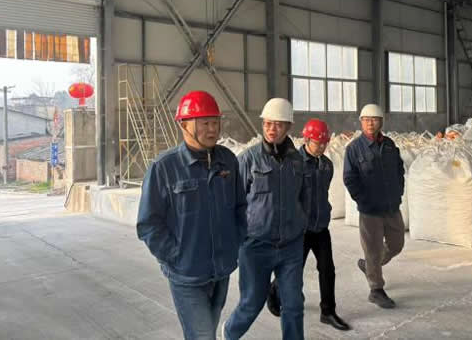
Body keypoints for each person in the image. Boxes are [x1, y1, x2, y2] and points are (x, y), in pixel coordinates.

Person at [137, 90, 247, 340]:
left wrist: (235, 242)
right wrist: (176, 255)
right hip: (186, 274)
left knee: (207, 330)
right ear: (184, 125)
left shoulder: (228, 161)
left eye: (215, 122)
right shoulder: (164, 167)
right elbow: (148, 224)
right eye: (205, 123)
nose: (212, 129)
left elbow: (240, 207)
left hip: (221, 271)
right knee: (203, 335)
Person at [223, 98, 310, 340]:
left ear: (288, 126)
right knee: (252, 303)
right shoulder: (248, 160)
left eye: (278, 124)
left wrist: (300, 224)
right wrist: (238, 239)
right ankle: (229, 333)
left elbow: (304, 197)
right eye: (267, 124)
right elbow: (233, 203)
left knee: (293, 304)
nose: (272, 129)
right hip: (256, 246)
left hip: (291, 245)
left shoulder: (297, 161)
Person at [266, 119, 350, 331]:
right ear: (306, 139)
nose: (321, 146)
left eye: (324, 143)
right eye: (317, 142)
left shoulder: (327, 165)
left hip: (320, 227)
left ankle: (328, 312)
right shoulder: (294, 163)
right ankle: (274, 290)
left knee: (327, 270)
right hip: (299, 230)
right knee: (293, 271)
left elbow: (323, 193)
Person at [343, 103, 405, 309]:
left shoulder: (389, 145)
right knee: (372, 249)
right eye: (366, 120)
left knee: (396, 244)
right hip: (370, 210)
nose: (370, 123)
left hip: (391, 206)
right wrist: (363, 200)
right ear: (361, 122)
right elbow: (349, 178)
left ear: (381, 122)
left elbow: (399, 170)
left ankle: (370, 265)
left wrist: (398, 192)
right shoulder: (353, 149)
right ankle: (376, 289)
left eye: (375, 119)